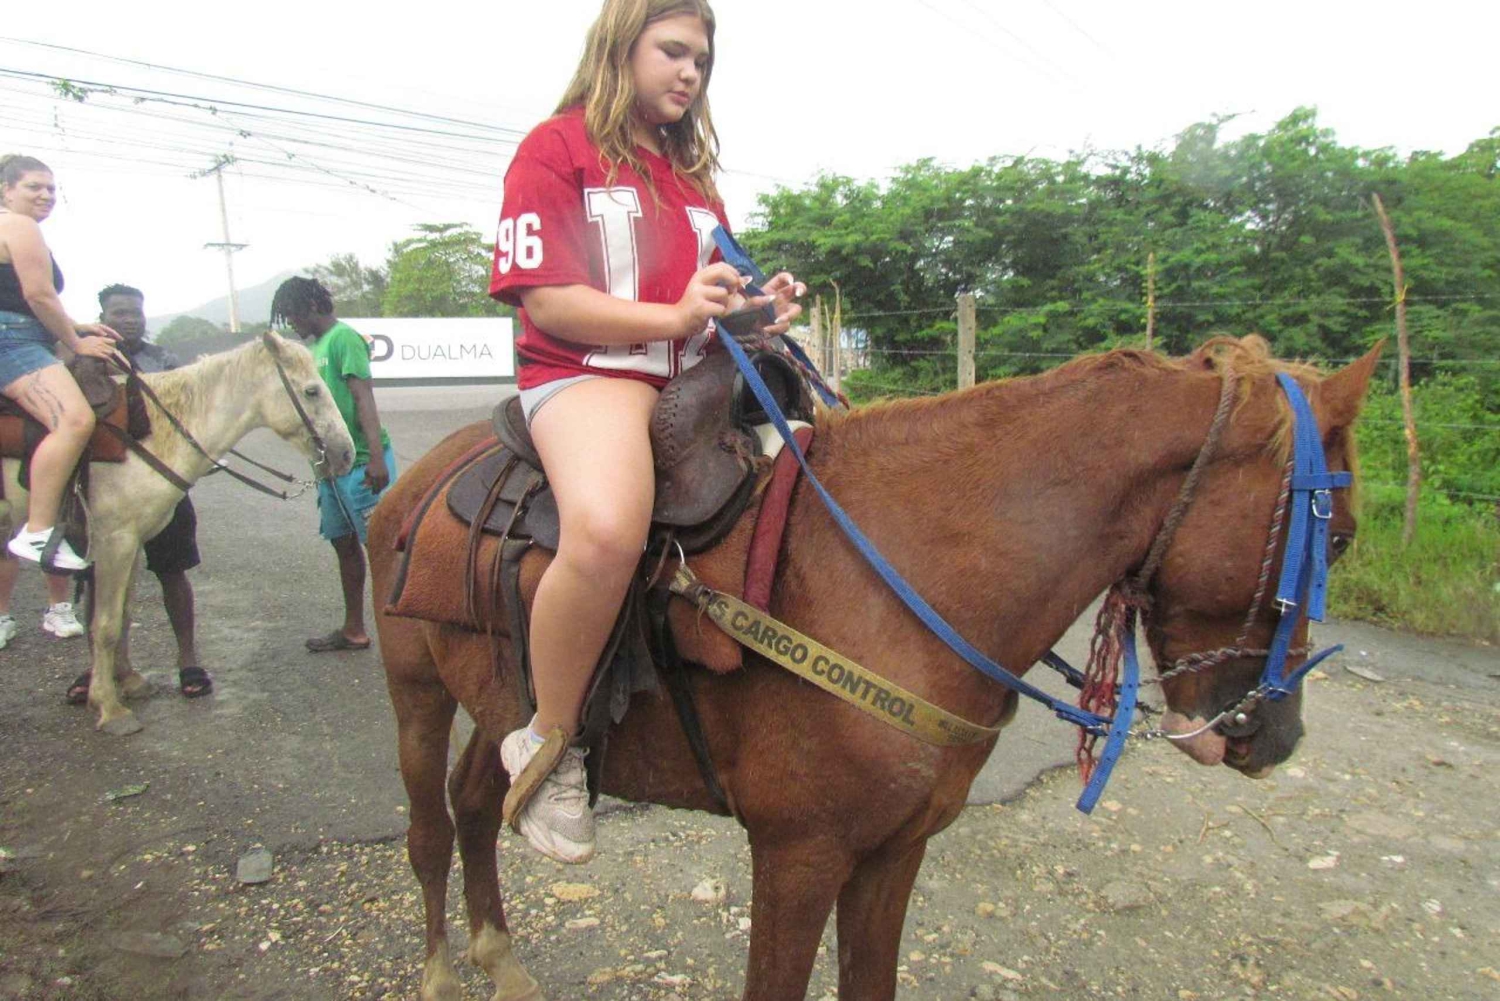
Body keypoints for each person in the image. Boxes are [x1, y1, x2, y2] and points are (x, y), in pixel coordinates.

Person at [488, 0, 804, 865]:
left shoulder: (693, 175)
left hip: (694, 375)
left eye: (701, 60)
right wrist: (674, 317)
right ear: (619, 46)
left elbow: (711, 299)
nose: (689, 72)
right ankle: (548, 741)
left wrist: (756, 308)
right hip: (589, 373)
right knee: (605, 529)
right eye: (672, 51)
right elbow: (550, 301)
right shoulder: (553, 149)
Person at [64, 283, 209, 699]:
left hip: (162, 488)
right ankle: (100, 668)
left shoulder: (163, 360)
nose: (129, 320)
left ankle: (188, 660)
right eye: (119, 313)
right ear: (102, 317)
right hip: (103, 490)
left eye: (135, 313)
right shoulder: (82, 358)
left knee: (173, 572)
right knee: (100, 579)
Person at [0, 154, 123, 572]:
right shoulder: (19, 225)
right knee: (74, 420)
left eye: (51, 188)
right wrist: (76, 342)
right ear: (6, 191)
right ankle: (37, 532)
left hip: (19, 333)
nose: (46, 195)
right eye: (33, 186)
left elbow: (17, 297)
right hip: (13, 342)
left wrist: (74, 325)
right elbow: (38, 295)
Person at [269, 277, 395, 654]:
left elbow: (363, 398)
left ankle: (402, 639)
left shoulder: (344, 339)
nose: (291, 323)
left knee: (383, 551)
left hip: (361, 464)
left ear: (310, 306)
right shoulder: (315, 348)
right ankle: (354, 630)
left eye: (292, 314)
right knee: (344, 545)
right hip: (329, 469)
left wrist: (376, 458)